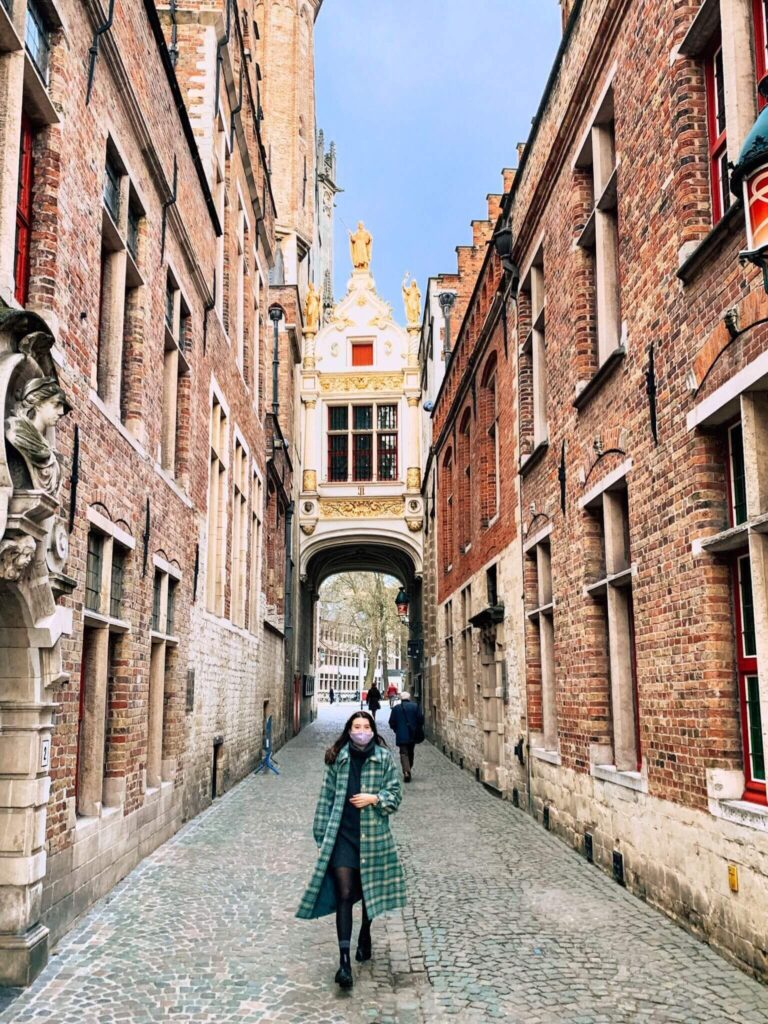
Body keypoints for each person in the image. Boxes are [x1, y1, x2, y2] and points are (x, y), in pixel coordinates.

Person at [297, 711, 406, 990]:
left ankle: (366, 933)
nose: (361, 731)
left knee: (369, 891)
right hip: (343, 834)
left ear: (372, 730)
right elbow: (326, 796)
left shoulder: (383, 758)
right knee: (344, 892)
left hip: (373, 836)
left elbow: (394, 796)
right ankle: (344, 961)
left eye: (365, 726)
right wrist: (321, 835)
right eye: (356, 727)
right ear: (349, 730)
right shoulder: (338, 758)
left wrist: (374, 798)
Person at [388, 691, 424, 783]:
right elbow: (420, 719)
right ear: (409, 698)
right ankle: (408, 769)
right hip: (413, 734)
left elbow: (392, 722)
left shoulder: (396, 708)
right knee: (411, 752)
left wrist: (396, 730)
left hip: (401, 734)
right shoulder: (415, 706)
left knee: (403, 753)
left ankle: (406, 771)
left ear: (401, 698)